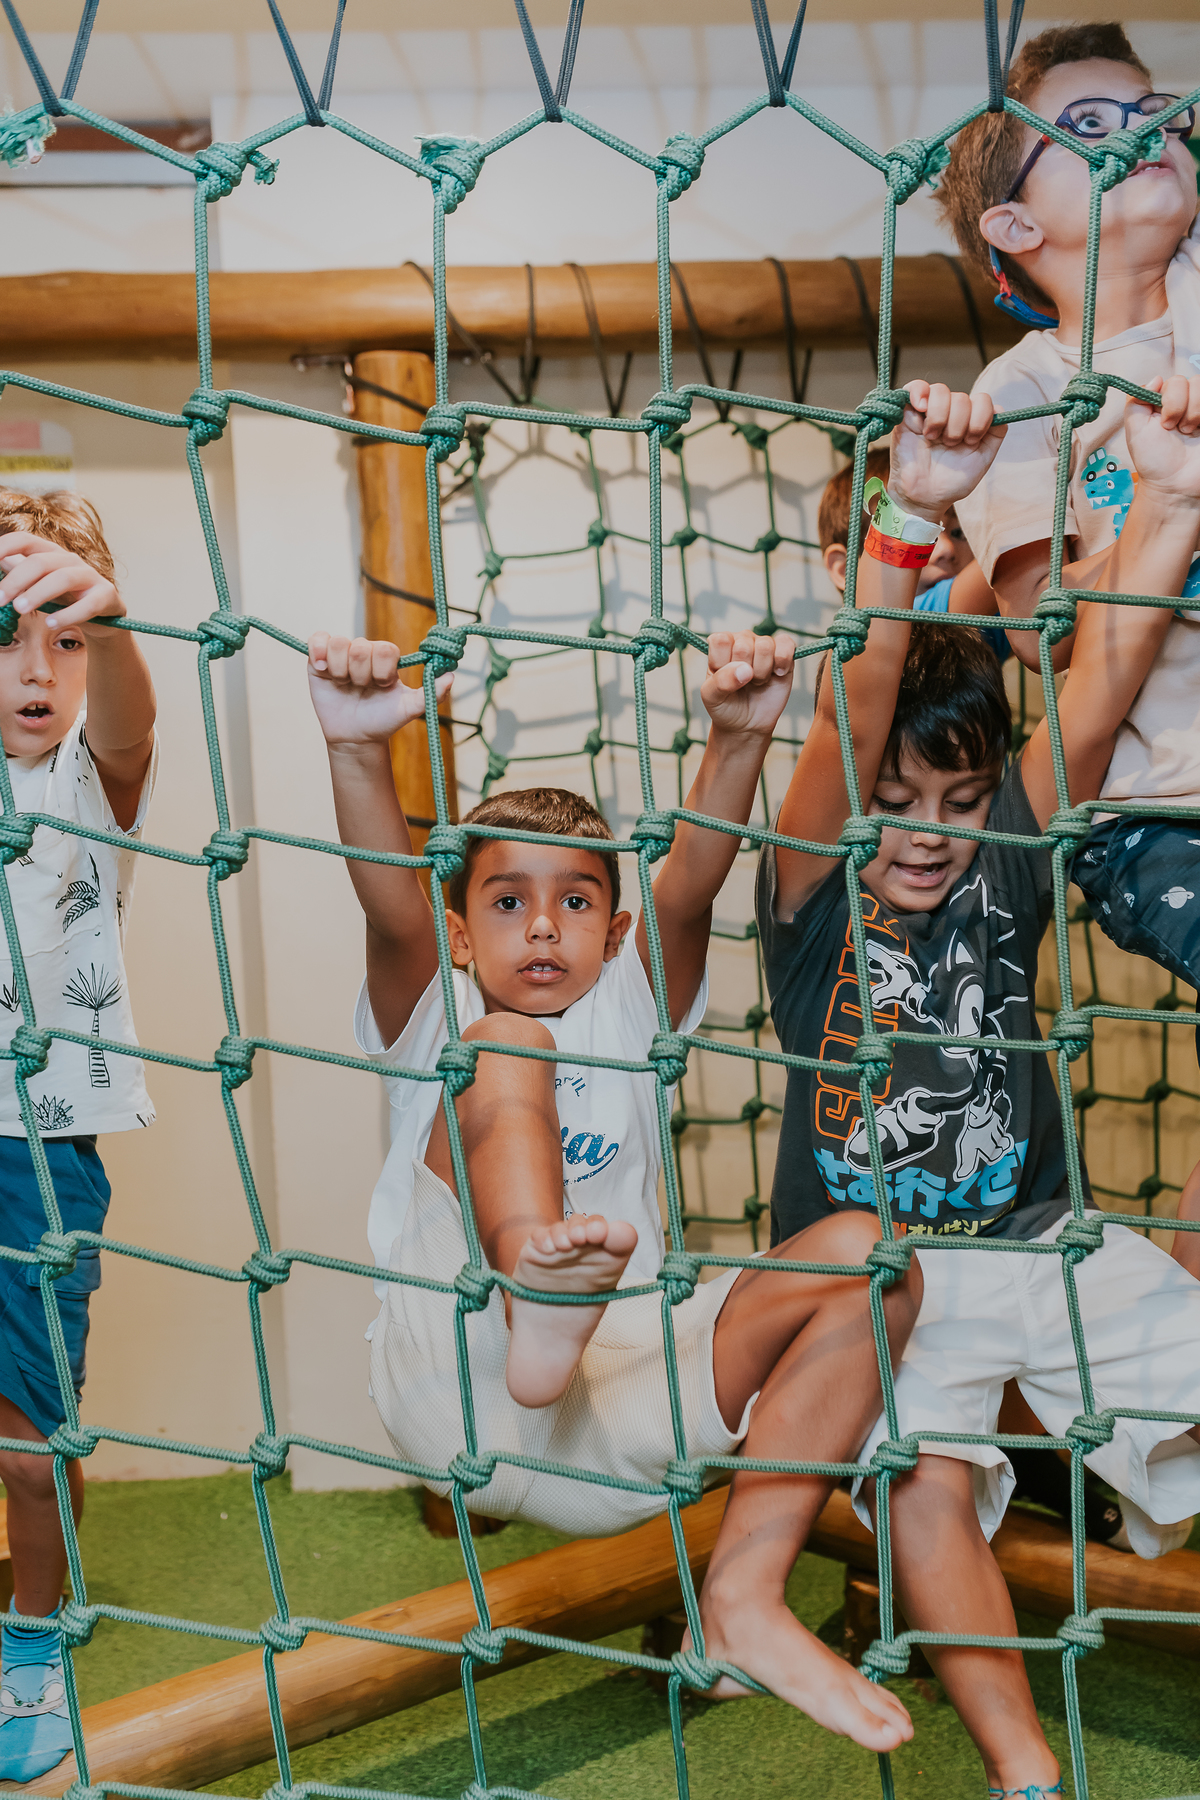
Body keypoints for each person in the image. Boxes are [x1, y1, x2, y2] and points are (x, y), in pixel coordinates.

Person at [306, 609, 928, 1754]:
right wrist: (354, 748)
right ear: (458, 932)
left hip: (624, 1422)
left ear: (613, 928)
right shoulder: (435, 1009)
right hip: (468, 1393)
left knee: (874, 1258)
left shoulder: (635, 1003)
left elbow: (690, 881)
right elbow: (384, 896)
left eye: (576, 903)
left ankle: (742, 1593)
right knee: (508, 1047)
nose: (543, 927)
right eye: (506, 902)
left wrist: (739, 732)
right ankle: (534, 1293)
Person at [760, 377, 1200, 1799]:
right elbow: (848, 719)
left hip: (1043, 1249)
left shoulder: (1010, 851)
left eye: (959, 804)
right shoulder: (811, 895)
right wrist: (911, 514)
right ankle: (1027, 1771)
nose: (932, 838)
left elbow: (1109, 667)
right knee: (925, 1487)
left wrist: (1174, 493)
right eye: (902, 805)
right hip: (885, 1283)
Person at [935, 21, 1200, 1275]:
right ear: (1016, 230)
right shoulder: (1025, 399)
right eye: (1090, 129)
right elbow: (1050, 633)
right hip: (1163, 811)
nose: (1141, 131)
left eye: (1154, 109)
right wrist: (1155, 510)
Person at [0, 490, 157, 1781]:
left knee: (32, 1432)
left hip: (39, 1146)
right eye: (9, 636)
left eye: (63, 638)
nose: (35, 669)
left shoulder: (79, 785)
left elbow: (132, 727)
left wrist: (112, 623)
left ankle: (35, 1634)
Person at [818, 448, 1010, 662]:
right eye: (918, 533)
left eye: (958, 533)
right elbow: (1009, 554)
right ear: (846, 570)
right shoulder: (906, 622)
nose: (946, 550)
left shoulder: (987, 627)